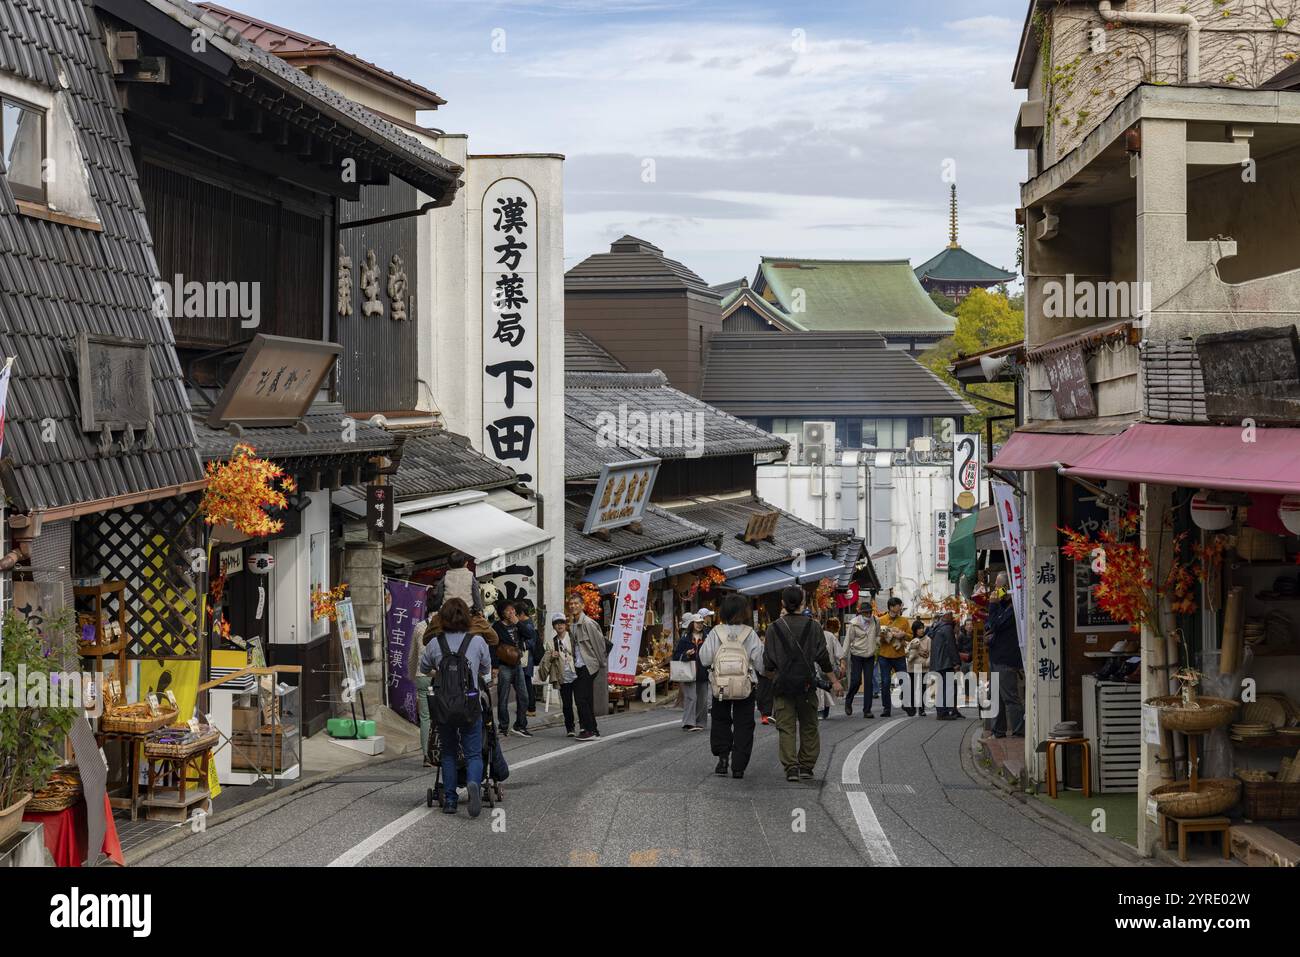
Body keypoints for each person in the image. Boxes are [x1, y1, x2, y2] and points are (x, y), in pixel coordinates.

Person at [418, 598, 492, 817]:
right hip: (471, 705)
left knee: (448, 753)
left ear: (443, 619)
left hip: (444, 707)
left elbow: (424, 668)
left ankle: (450, 800)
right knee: (473, 754)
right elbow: (486, 667)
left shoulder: (435, 643)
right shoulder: (477, 642)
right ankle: (473, 784)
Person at [764, 586, 843, 783]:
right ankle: (806, 766)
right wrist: (834, 681)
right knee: (809, 725)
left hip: (783, 685)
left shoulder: (773, 628)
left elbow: (768, 663)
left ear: (782, 604)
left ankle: (791, 768)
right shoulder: (814, 627)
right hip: (807, 685)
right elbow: (823, 658)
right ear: (803, 604)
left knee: (786, 727)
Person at [698, 593, 763, 778]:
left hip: (720, 686)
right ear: (745, 612)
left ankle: (723, 758)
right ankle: (739, 766)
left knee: (720, 720)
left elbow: (704, 658)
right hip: (745, 685)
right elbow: (760, 662)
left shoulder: (715, 632)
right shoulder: (750, 634)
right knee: (744, 723)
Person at [986, 573, 1025, 737]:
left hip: (1006, 660)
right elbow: (990, 625)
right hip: (996, 657)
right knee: (997, 697)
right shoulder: (1003, 606)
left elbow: (996, 624)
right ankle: (998, 730)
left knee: (1010, 698)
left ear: (1008, 589)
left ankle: (1019, 730)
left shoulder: (1014, 608)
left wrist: (993, 606)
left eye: (999, 587)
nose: (996, 591)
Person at [566, 592, 606, 740]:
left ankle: (589, 730)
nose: (573, 606)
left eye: (576, 603)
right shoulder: (573, 624)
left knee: (581, 698)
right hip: (578, 665)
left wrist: (601, 663)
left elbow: (599, 643)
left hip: (589, 665)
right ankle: (592, 729)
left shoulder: (588, 623)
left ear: (582, 605)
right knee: (586, 698)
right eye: (571, 604)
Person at [492, 602, 532, 737]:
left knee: (524, 696)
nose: (511, 613)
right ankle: (503, 727)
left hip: (518, 664)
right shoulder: (497, 627)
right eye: (508, 611)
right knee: (503, 698)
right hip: (504, 665)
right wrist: (495, 666)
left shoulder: (518, 624)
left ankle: (520, 725)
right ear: (502, 613)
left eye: (513, 610)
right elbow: (493, 647)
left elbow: (530, 635)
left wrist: (518, 623)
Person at [412, 588, 441, 764]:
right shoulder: (445, 626)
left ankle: (426, 755)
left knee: (425, 717)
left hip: (421, 675)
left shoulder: (419, 626)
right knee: (440, 715)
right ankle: (440, 751)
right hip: (440, 675)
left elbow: (412, 655)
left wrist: (412, 674)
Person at [539, 612, 579, 737]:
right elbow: (544, 664)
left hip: (577, 674)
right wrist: (551, 656)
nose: (559, 625)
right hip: (563, 677)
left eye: (561, 622)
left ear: (565, 624)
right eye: (556, 624)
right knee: (566, 704)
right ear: (553, 626)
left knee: (581, 702)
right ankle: (570, 728)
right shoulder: (551, 643)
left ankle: (584, 726)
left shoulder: (573, 637)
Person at [842, 601, 880, 718]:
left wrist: (877, 643)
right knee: (856, 681)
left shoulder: (875, 620)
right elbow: (847, 641)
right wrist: (843, 658)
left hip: (869, 655)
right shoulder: (854, 624)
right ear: (861, 613)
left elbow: (878, 634)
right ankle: (849, 700)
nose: (868, 615)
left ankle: (867, 710)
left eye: (869, 612)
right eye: (865, 613)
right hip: (857, 655)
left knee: (869, 683)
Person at [674, 614, 710, 731]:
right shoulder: (685, 639)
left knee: (702, 699)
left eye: (701, 623)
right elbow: (676, 656)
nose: (699, 625)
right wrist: (686, 654)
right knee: (691, 697)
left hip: (703, 671)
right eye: (697, 622)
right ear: (692, 624)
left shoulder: (707, 638)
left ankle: (700, 722)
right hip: (688, 671)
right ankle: (689, 722)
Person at [876, 597, 912, 717]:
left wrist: (903, 634)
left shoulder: (904, 621)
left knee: (905, 681)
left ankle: (906, 704)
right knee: (885, 682)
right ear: (891, 607)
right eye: (898, 605)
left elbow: (911, 636)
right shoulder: (881, 620)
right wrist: (884, 635)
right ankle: (886, 708)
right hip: (884, 655)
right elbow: (877, 637)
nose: (900, 607)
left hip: (899, 655)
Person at [928, 610, 961, 720]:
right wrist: (956, 662)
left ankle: (941, 711)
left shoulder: (937, 627)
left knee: (941, 687)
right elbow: (951, 647)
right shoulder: (947, 629)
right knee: (947, 687)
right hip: (946, 662)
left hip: (937, 662)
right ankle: (944, 712)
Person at [512, 600, 542, 717]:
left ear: (521, 614)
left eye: (516, 614)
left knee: (526, 684)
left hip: (526, 659)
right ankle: (528, 707)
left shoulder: (527, 624)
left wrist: (519, 645)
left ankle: (530, 708)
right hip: (526, 659)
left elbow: (531, 643)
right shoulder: (528, 623)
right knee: (525, 683)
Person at [817, 617, 845, 720]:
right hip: (812, 668)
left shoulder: (829, 636)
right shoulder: (806, 635)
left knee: (825, 689)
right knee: (818, 690)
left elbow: (839, 653)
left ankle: (823, 710)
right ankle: (819, 711)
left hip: (827, 667)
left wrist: (842, 663)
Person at [904, 618, 930, 717]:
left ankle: (922, 709)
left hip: (923, 667)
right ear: (915, 630)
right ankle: (913, 707)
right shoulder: (911, 640)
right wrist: (914, 651)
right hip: (912, 667)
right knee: (913, 687)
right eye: (919, 628)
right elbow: (906, 653)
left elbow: (931, 653)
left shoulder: (928, 640)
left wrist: (927, 663)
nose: (921, 630)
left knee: (923, 688)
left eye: (922, 628)